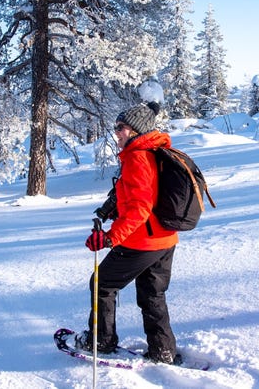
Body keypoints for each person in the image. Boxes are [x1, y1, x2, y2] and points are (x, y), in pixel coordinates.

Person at [77, 101, 180, 365]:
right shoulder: (153, 151)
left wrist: (111, 237)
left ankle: (101, 340)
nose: (117, 132)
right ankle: (163, 350)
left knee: (101, 283)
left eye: (121, 127)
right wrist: (110, 209)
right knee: (152, 294)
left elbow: (140, 207)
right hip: (165, 239)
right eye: (116, 127)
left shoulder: (137, 157)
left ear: (135, 129)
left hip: (143, 241)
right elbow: (139, 195)